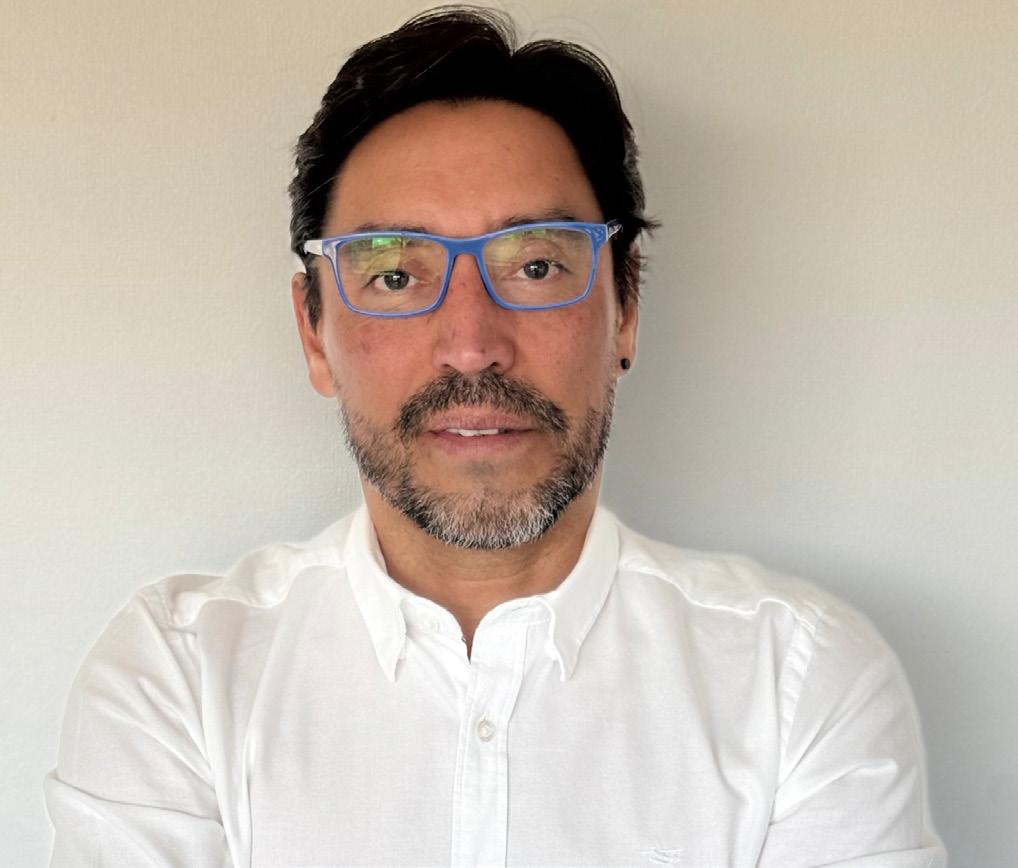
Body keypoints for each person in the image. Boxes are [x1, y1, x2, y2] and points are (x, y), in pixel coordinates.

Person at [45, 7, 946, 866]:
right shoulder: (179, 675)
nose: (471, 343)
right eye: (395, 275)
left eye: (537, 265)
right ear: (313, 333)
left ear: (626, 309)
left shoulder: (798, 686)